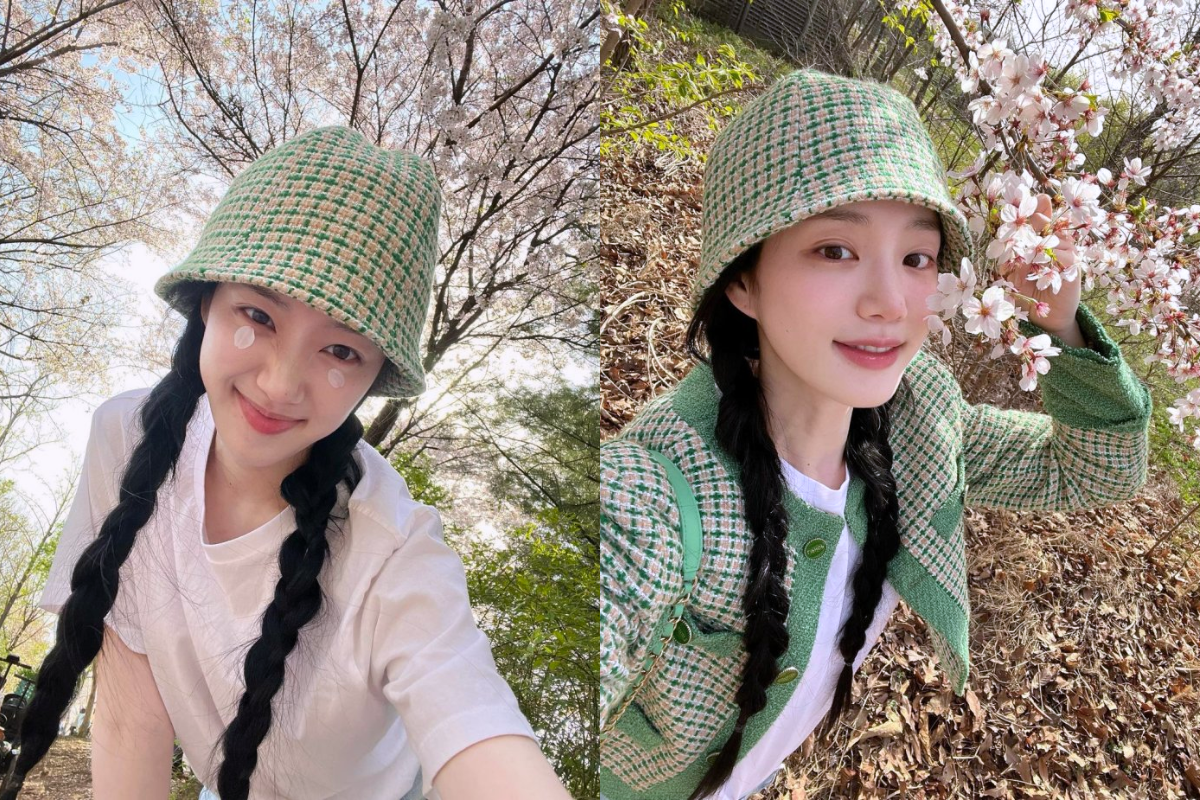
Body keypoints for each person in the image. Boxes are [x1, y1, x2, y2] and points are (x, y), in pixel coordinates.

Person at [599, 69, 1152, 800]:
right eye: (835, 249)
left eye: (917, 258)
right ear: (742, 281)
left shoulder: (920, 427)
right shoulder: (652, 497)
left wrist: (1059, 324)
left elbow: (1098, 469)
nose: (891, 303)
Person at [8, 127, 572, 800]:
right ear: (206, 302)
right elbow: (132, 716)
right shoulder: (124, 439)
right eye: (259, 314)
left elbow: (474, 726)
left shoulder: (394, 547)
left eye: (340, 352)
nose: (280, 384)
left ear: (370, 379)